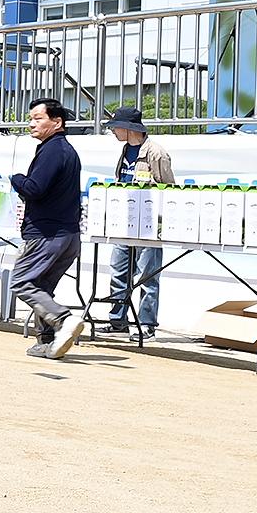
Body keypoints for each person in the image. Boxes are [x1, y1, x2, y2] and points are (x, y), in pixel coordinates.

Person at [11, 99, 86, 359]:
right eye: (30, 119)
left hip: (46, 234)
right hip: (68, 235)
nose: (31, 124)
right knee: (42, 287)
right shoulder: (65, 150)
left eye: (38, 118)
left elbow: (34, 189)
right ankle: (48, 341)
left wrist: (16, 179)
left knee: (21, 281)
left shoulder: (53, 150)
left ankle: (63, 320)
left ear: (57, 122)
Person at [101, 106, 176, 340]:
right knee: (118, 272)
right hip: (124, 223)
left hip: (149, 226)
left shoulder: (156, 153)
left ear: (128, 128)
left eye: (115, 127)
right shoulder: (126, 149)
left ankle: (147, 325)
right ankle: (118, 321)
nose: (113, 131)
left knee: (148, 276)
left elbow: (169, 190)